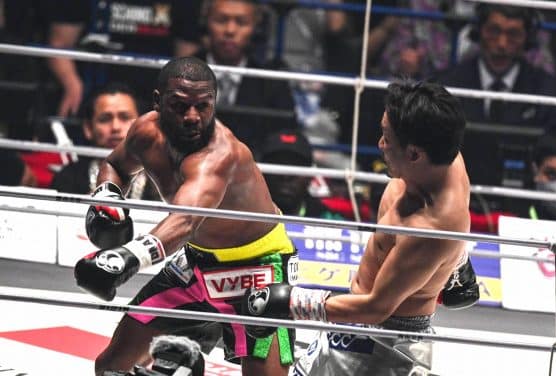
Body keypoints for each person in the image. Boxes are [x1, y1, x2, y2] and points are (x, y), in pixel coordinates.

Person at [73, 56, 297, 376]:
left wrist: (124, 258)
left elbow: (186, 220)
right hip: (197, 263)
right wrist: (107, 197)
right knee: (111, 366)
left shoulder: (221, 155)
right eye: (180, 106)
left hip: (258, 269)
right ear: (157, 102)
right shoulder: (145, 132)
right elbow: (116, 165)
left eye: (203, 106)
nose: (193, 117)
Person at [242, 80, 478, 375]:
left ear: (415, 153)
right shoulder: (444, 152)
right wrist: (458, 260)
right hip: (353, 316)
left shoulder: (429, 227)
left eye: (386, 137)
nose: (380, 144)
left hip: (384, 339)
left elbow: (378, 307)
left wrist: (292, 301)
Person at [437, 3, 556, 187]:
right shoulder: (448, 85)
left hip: (527, 195)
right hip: (456, 189)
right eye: (494, 31)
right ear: (479, 31)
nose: (502, 43)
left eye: (513, 34)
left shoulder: (548, 90)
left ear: (527, 38)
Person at [46, 0, 205, 117]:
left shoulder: (186, 4)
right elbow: (59, 43)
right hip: (93, 86)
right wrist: (72, 84)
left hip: (155, 90)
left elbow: (186, 59)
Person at [196, 0, 299, 153]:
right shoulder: (179, 76)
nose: (230, 30)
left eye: (241, 22)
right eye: (221, 20)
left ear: (256, 29)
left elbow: (283, 142)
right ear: (206, 23)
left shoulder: (272, 84)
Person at [50, 82, 157, 200]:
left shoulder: (162, 177)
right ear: (88, 128)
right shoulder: (69, 177)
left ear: (142, 124)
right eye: (105, 119)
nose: (115, 127)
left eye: (125, 117)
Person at [260, 129, 344, 220]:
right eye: (277, 164)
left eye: (295, 166)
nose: (286, 176)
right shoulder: (243, 215)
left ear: (310, 176)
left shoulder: (329, 221)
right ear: (261, 172)